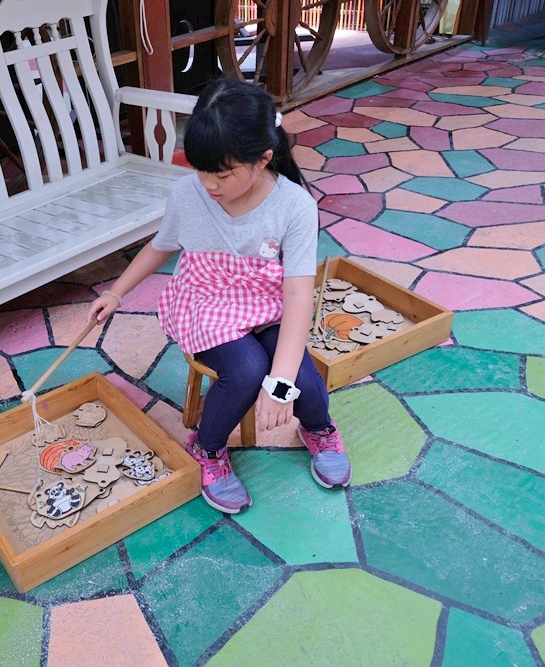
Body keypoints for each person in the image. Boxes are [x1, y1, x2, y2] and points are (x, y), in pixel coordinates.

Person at [86, 78, 350, 514]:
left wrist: (281, 384)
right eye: (200, 170)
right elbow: (161, 244)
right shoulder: (188, 193)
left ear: (264, 157)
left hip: (266, 301)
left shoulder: (294, 205)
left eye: (222, 174)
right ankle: (207, 449)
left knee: (300, 378)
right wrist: (116, 293)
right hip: (206, 302)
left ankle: (319, 429)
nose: (208, 184)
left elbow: (300, 293)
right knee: (247, 370)